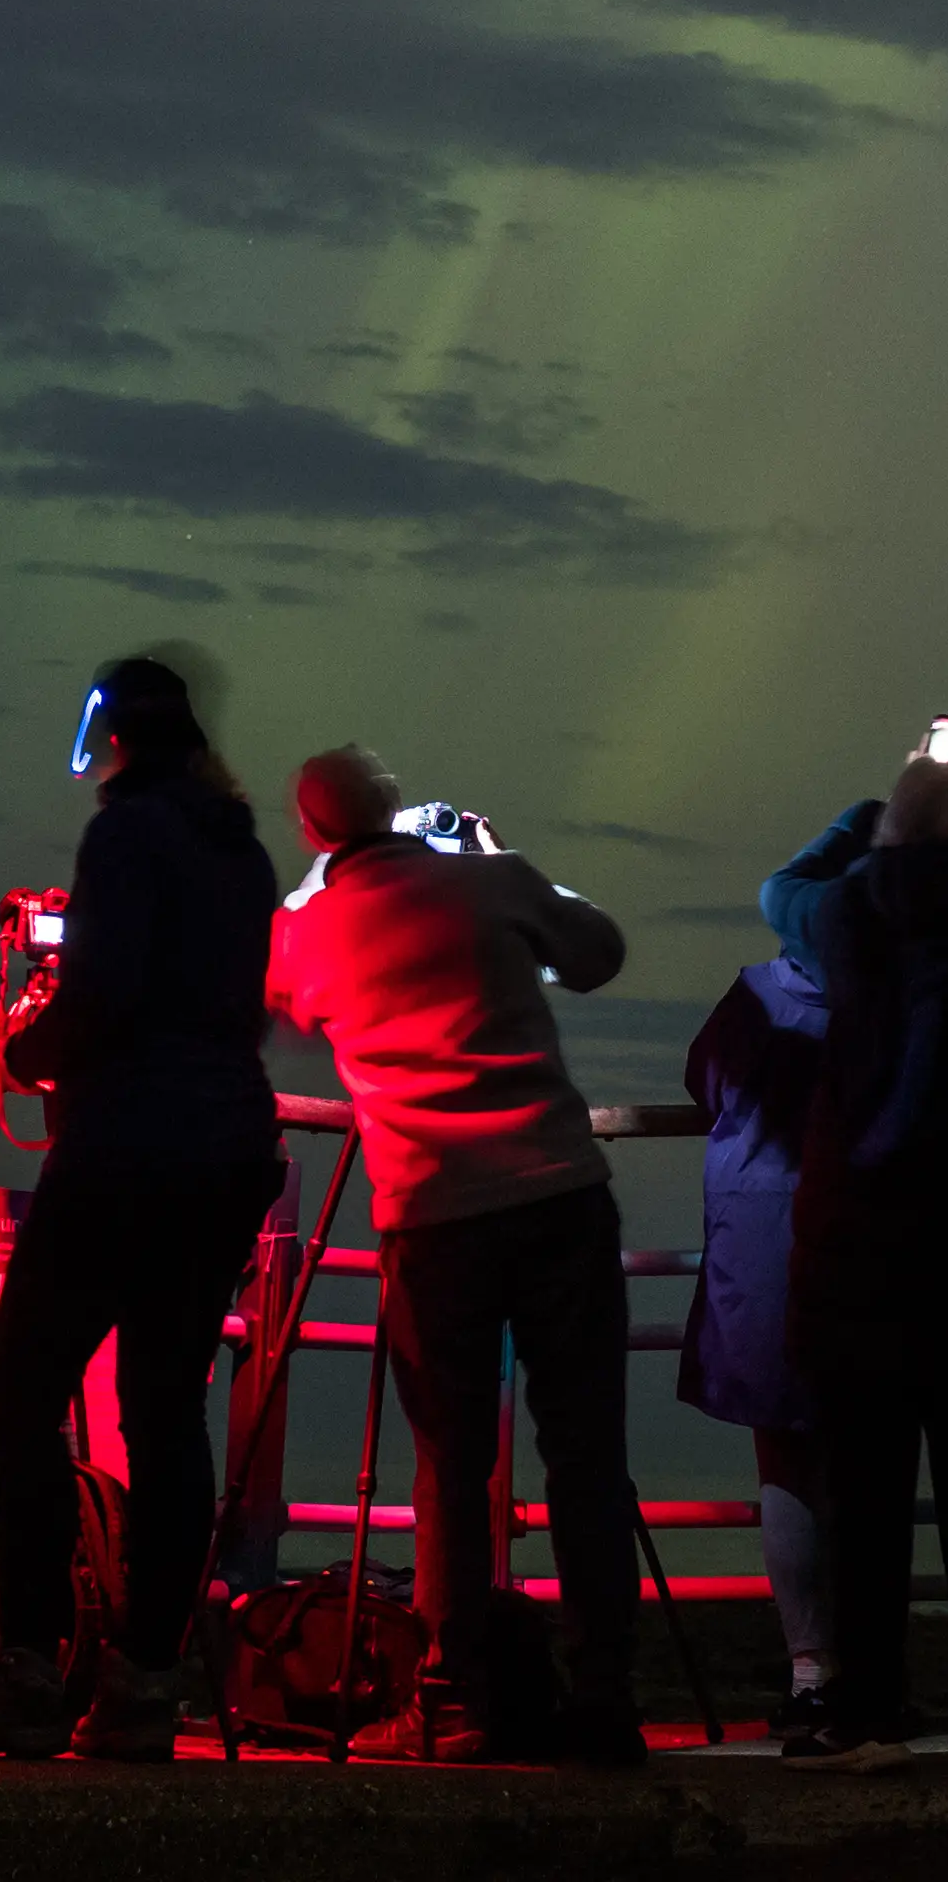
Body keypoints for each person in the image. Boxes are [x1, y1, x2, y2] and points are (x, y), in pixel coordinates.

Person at [0, 657, 284, 1764]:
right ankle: (144, 1687)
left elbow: (103, 995)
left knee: (23, 1398)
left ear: (108, 735)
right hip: (228, 1146)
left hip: (123, 1146)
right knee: (165, 1414)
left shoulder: (125, 833)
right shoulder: (240, 847)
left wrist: (18, 1046)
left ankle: (25, 1671)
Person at [262, 746, 644, 1766]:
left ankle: (453, 1699)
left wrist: (320, 879)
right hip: (561, 1192)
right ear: (399, 809)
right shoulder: (490, 878)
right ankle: (605, 1698)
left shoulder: (304, 926)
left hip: (431, 1218)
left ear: (311, 831)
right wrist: (498, 852)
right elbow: (598, 952)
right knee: (587, 1457)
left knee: (449, 1468)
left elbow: (271, 997)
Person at [766, 752, 948, 1774]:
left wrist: (858, 818)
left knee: (867, 1494)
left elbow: (780, 891)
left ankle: (866, 1712)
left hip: (866, 1252)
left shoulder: (857, 910)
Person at [679, 943, 836, 1740]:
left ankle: (812, 1671)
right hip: (874, 1241)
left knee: (784, 1458)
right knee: (867, 1459)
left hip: (761, 1242)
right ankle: (866, 1673)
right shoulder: (906, 991)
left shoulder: (758, 994)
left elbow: (703, 1083)